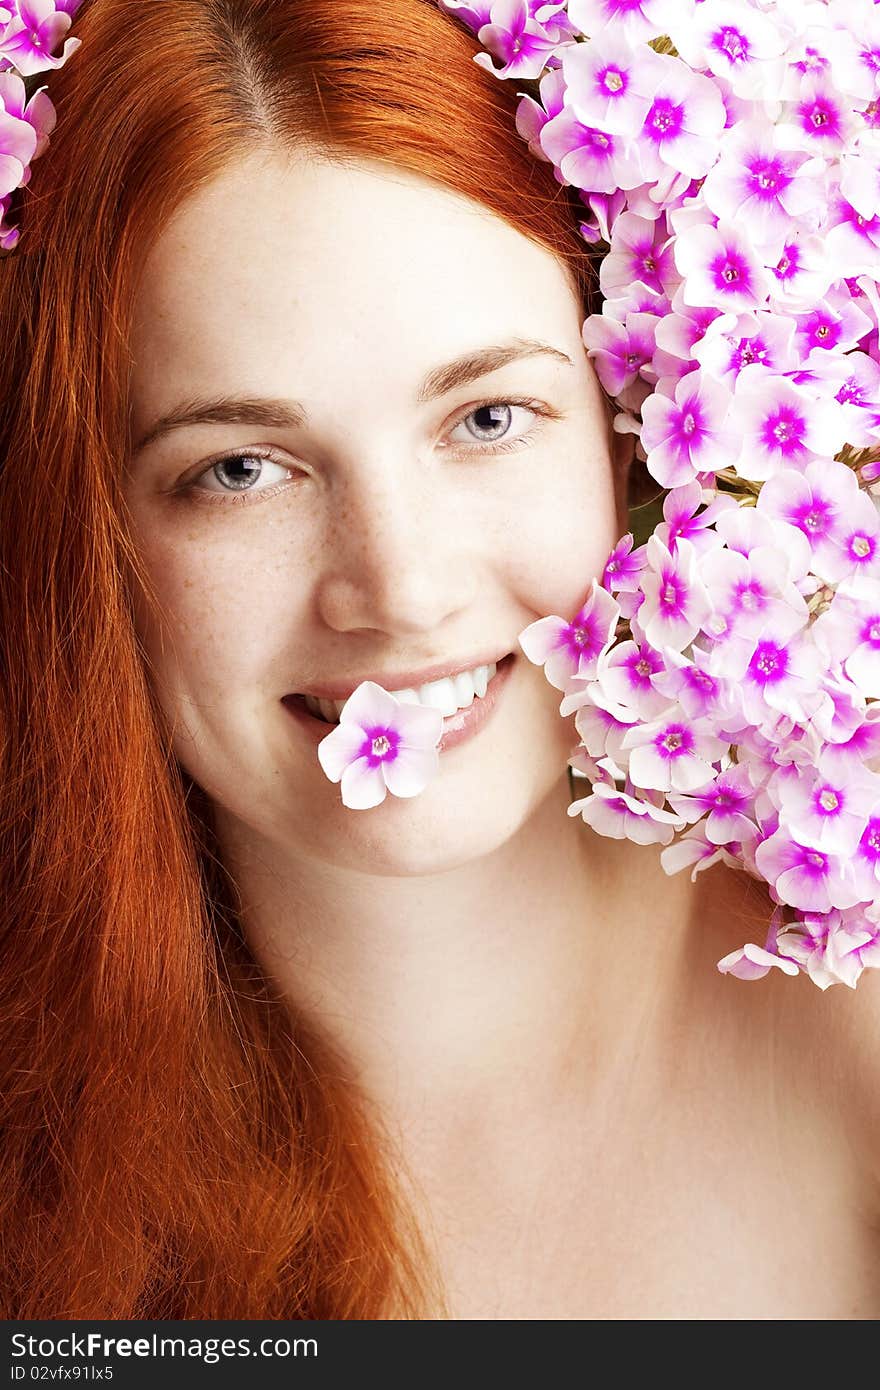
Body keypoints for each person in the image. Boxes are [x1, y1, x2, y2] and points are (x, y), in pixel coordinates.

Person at [1, 0, 878, 1321]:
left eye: (485, 417)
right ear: (88, 531)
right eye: (242, 468)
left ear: (636, 428)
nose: (399, 589)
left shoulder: (848, 1017)